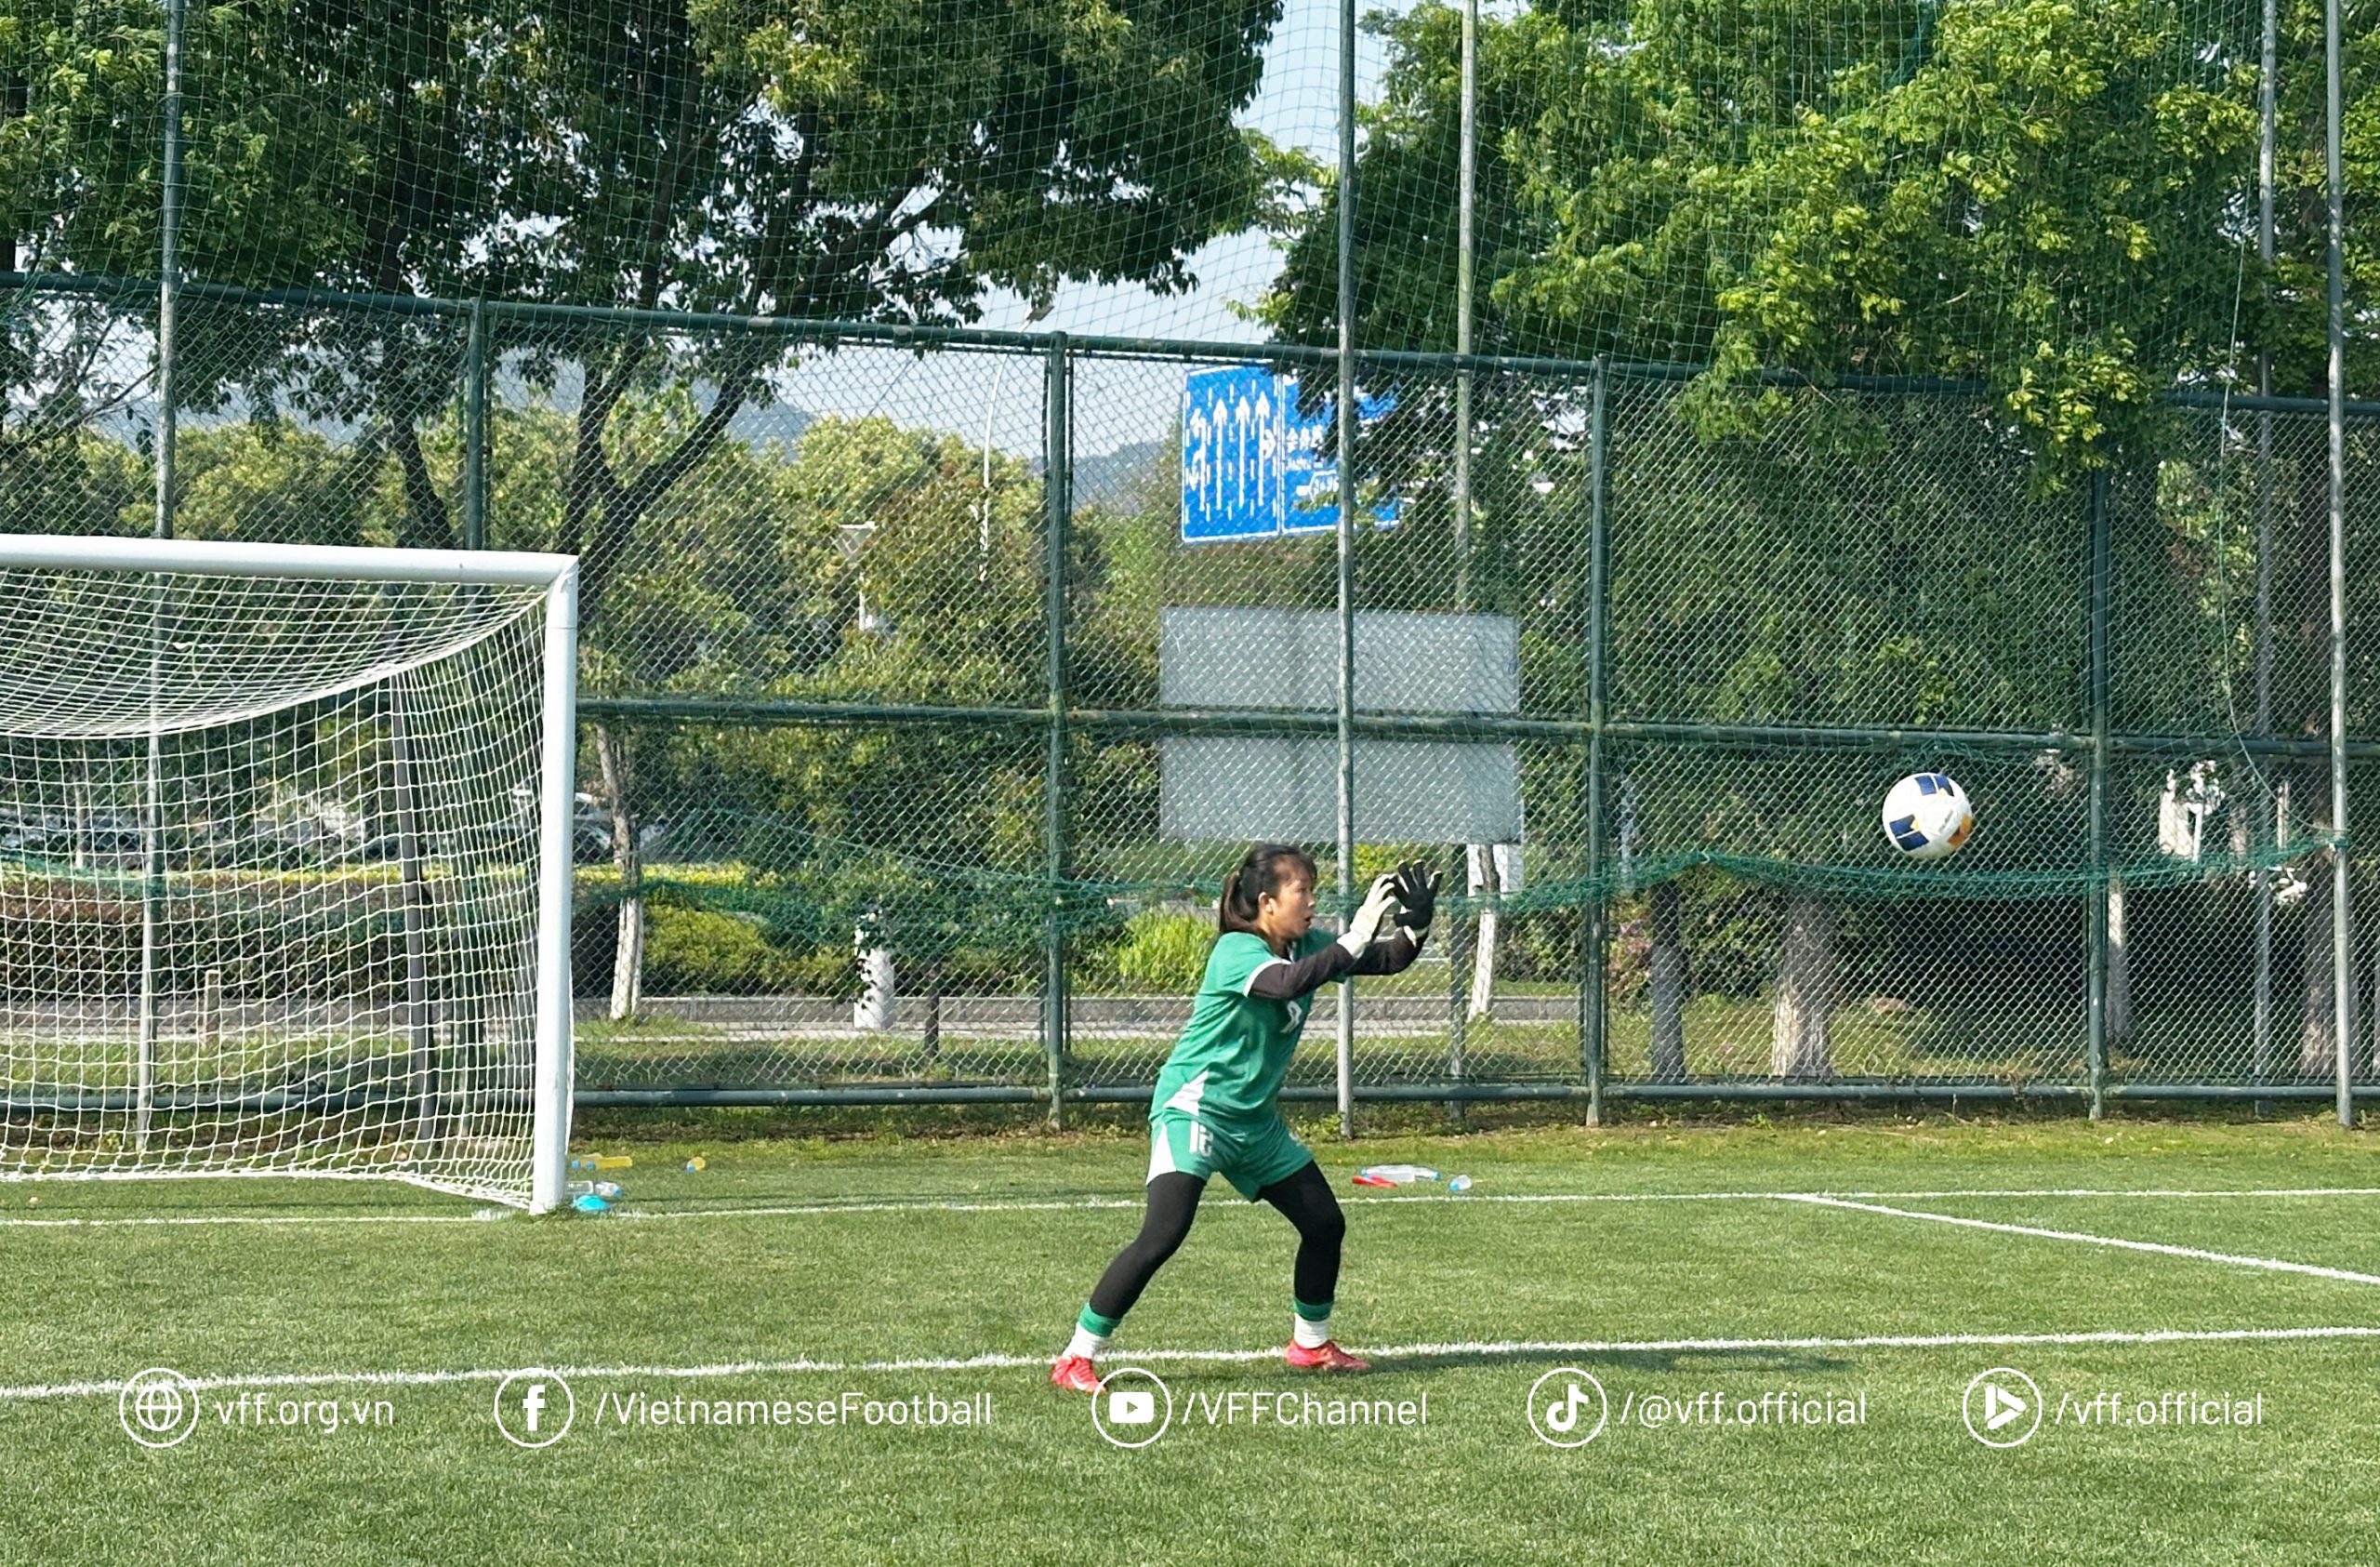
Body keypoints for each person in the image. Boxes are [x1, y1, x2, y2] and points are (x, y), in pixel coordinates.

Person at [1051, 844, 1439, 1393]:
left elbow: (1387, 958)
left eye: (1313, 890)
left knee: (1324, 1224)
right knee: (1163, 1233)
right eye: (1302, 890)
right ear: (1266, 903)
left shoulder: (1307, 945)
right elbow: (1287, 983)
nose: (1312, 901)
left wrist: (1416, 926)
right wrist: (1354, 936)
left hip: (1254, 1122)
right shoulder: (1236, 949)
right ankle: (1076, 1356)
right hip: (1196, 1110)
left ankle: (1310, 1345)